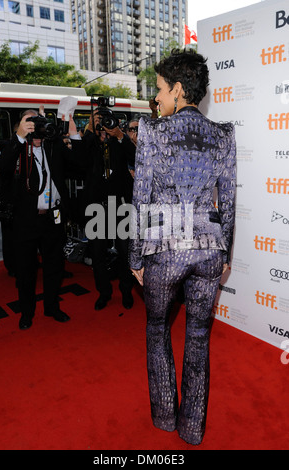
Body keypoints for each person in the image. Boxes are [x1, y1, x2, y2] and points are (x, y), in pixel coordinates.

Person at [129, 49, 236, 445]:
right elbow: (227, 202)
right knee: (198, 339)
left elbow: (141, 201)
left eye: (159, 89)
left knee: (157, 329)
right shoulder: (224, 133)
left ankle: (163, 418)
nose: (155, 98)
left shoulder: (153, 131)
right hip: (208, 251)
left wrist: (136, 257)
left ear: (177, 89)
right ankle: (192, 429)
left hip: (165, 252)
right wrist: (223, 254)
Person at [0, 108, 77, 330]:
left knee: (55, 266)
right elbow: (3, 167)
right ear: (21, 124)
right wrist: (20, 137)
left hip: (54, 217)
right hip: (26, 219)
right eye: (29, 121)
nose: (35, 126)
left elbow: (78, 165)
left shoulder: (53, 145)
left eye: (38, 122)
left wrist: (73, 133)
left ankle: (52, 307)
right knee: (25, 270)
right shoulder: (14, 146)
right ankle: (27, 312)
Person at [69, 110, 136, 311]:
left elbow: (135, 157)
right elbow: (78, 161)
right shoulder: (90, 143)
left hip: (122, 204)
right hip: (97, 205)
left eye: (106, 120)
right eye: (99, 120)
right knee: (98, 253)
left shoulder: (120, 141)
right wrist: (89, 130)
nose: (104, 124)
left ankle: (126, 290)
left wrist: (118, 135)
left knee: (125, 252)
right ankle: (104, 292)